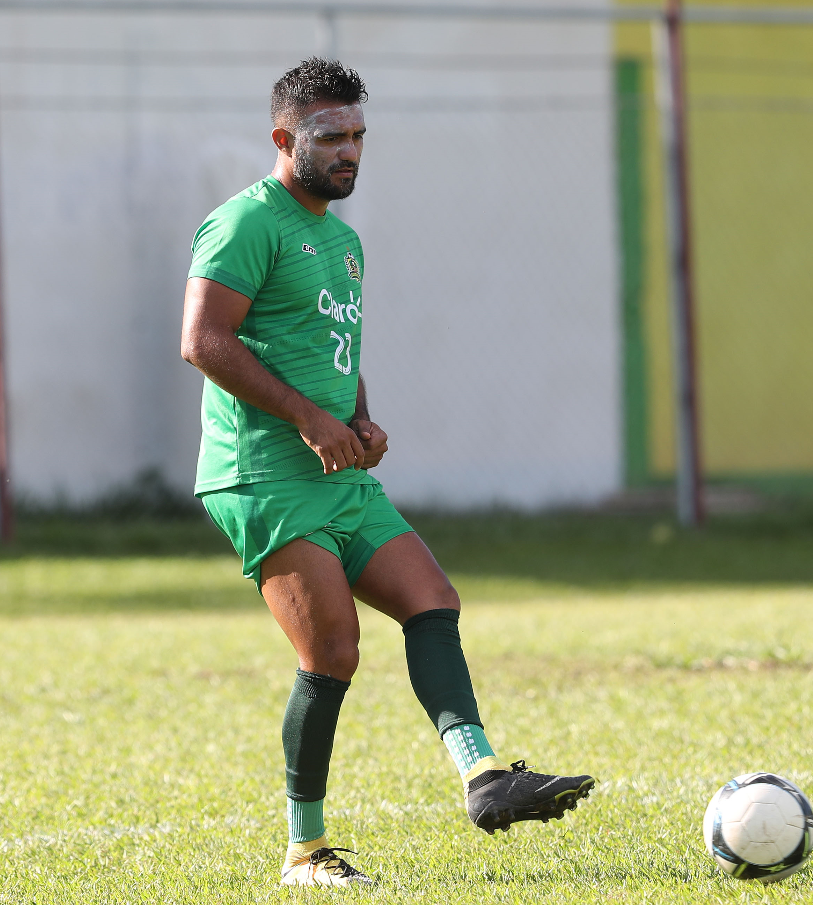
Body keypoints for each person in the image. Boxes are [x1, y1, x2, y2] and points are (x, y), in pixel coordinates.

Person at [180, 57, 594, 888]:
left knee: (432, 598)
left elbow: (332, 350)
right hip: (261, 473)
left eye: (360, 136)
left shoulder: (342, 239)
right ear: (283, 138)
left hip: (337, 470)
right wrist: (308, 418)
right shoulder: (244, 223)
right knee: (333, 649)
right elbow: (205, 341)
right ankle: (305, 851)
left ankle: (483, 778)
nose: (350, 152)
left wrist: (357, 415)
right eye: (331, 137)